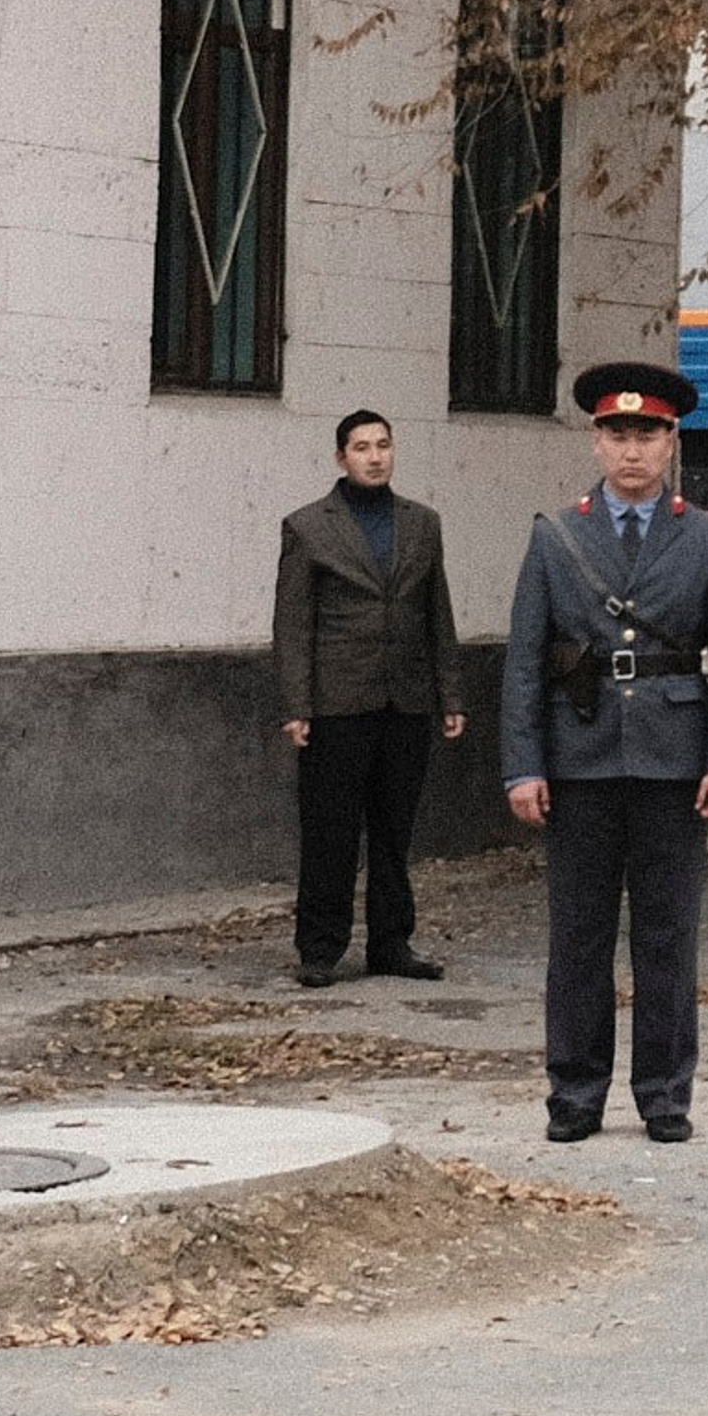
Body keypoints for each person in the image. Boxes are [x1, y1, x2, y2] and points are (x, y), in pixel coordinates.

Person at [501, 363, 708, 1143]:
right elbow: (524, 658)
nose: (632, 451)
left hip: (675, 764)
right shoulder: (557, 536)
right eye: (618, 434)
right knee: (577, 938)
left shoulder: (707, 538)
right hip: (579, 762)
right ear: (596, 440)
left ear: (672, 441)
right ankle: (574, 1096)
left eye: (647, 434)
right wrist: (523, 764)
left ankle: (666, 1095)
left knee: (666, 938)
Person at [273, 409, 465, 989]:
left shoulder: (421, 523)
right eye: (361, 447)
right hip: (337, 700)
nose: (375, 456)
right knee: (330, 829)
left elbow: (439, 613)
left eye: (383, 445)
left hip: (404, 699)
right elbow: (293, 622)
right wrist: (296, 705)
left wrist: (449, 694)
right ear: (341, 458)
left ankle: (391, 943)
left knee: (394, 829)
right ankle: (320, 947)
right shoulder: (308, 527)